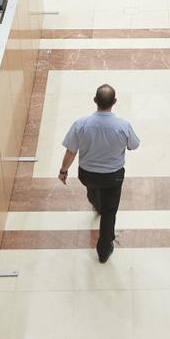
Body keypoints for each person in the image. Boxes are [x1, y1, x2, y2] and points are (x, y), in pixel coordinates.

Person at [59, 84, 140, 263]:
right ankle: (103, 251)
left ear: (95, 100)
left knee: (93, 191)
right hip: (113, 177)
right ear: (115, 102)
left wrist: (63, 171)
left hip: (87, 175)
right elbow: (134, 145)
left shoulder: (80, 124)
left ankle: (96, 202)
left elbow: (71, 151)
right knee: (109, 213)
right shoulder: (123, 126)